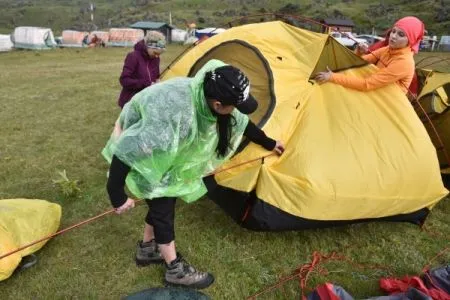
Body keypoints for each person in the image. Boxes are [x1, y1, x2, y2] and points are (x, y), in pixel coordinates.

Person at [102, 59, 285, 289]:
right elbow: (129, 148)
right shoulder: (174, 113)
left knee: (166, 196)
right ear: (218, 104)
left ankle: (147, 249)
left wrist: (269, 143)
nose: (236, 111)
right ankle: (174, 269)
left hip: (167, 143)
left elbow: (241, 123)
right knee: (162, 203)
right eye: (234, 106)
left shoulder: (211, 91)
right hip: (147, 143)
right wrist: (116, 193)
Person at [315, 16, 425, 95]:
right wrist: (359, 52)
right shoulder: (388, 49)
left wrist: (332, 77)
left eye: (401, 35)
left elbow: (366, 85)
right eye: (393, 31)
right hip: (377, 91)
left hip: (390, 102)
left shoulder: (404, 62)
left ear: (410, 40)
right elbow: (360, 63)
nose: (393, 36)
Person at [117, 31, 166, 108]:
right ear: (148, 46)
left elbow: (156, 76)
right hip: (131, 101)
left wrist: (157, 81)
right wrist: (146, 84)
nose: (157, 56)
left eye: (159, 54)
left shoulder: (156, 59)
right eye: (155, 52)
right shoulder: (133, 56)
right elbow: (124, 80)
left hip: (146, 101)